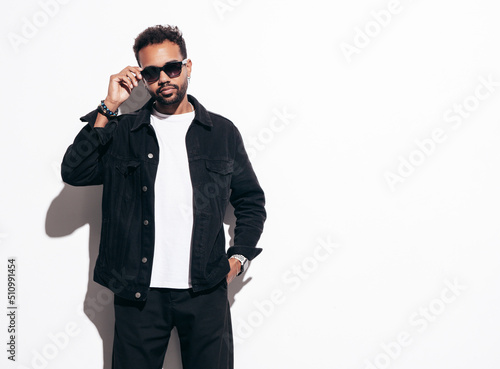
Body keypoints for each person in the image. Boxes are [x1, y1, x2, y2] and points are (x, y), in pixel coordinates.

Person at [61, 25, 266, 369]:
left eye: (172, 67)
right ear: (142, 78)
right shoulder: (124, 131)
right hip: (137, 293)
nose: (164, 78)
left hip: (205, 289)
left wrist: (240, 256)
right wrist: (109, 105)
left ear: (187, 66)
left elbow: (250, 201)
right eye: (152, 72)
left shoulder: (221, 132)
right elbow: (75, 172)